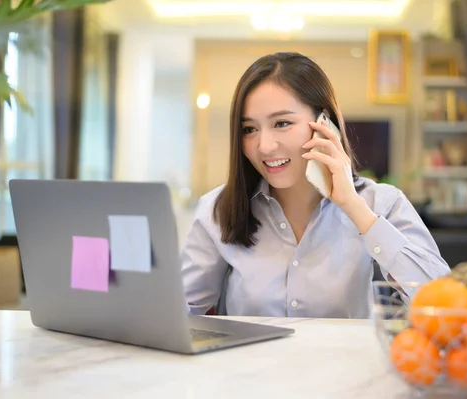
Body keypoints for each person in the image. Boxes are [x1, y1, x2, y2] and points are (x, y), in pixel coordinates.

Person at [180, 52, 450, 319]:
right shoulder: (217, 209)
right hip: (250, 363)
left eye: (281, 123)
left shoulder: (381, 202)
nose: (264, 146)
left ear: (324, 123)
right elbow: (179, 313)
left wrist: (354, 207)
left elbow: (444, 304)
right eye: (250, 129)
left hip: (348, 363)